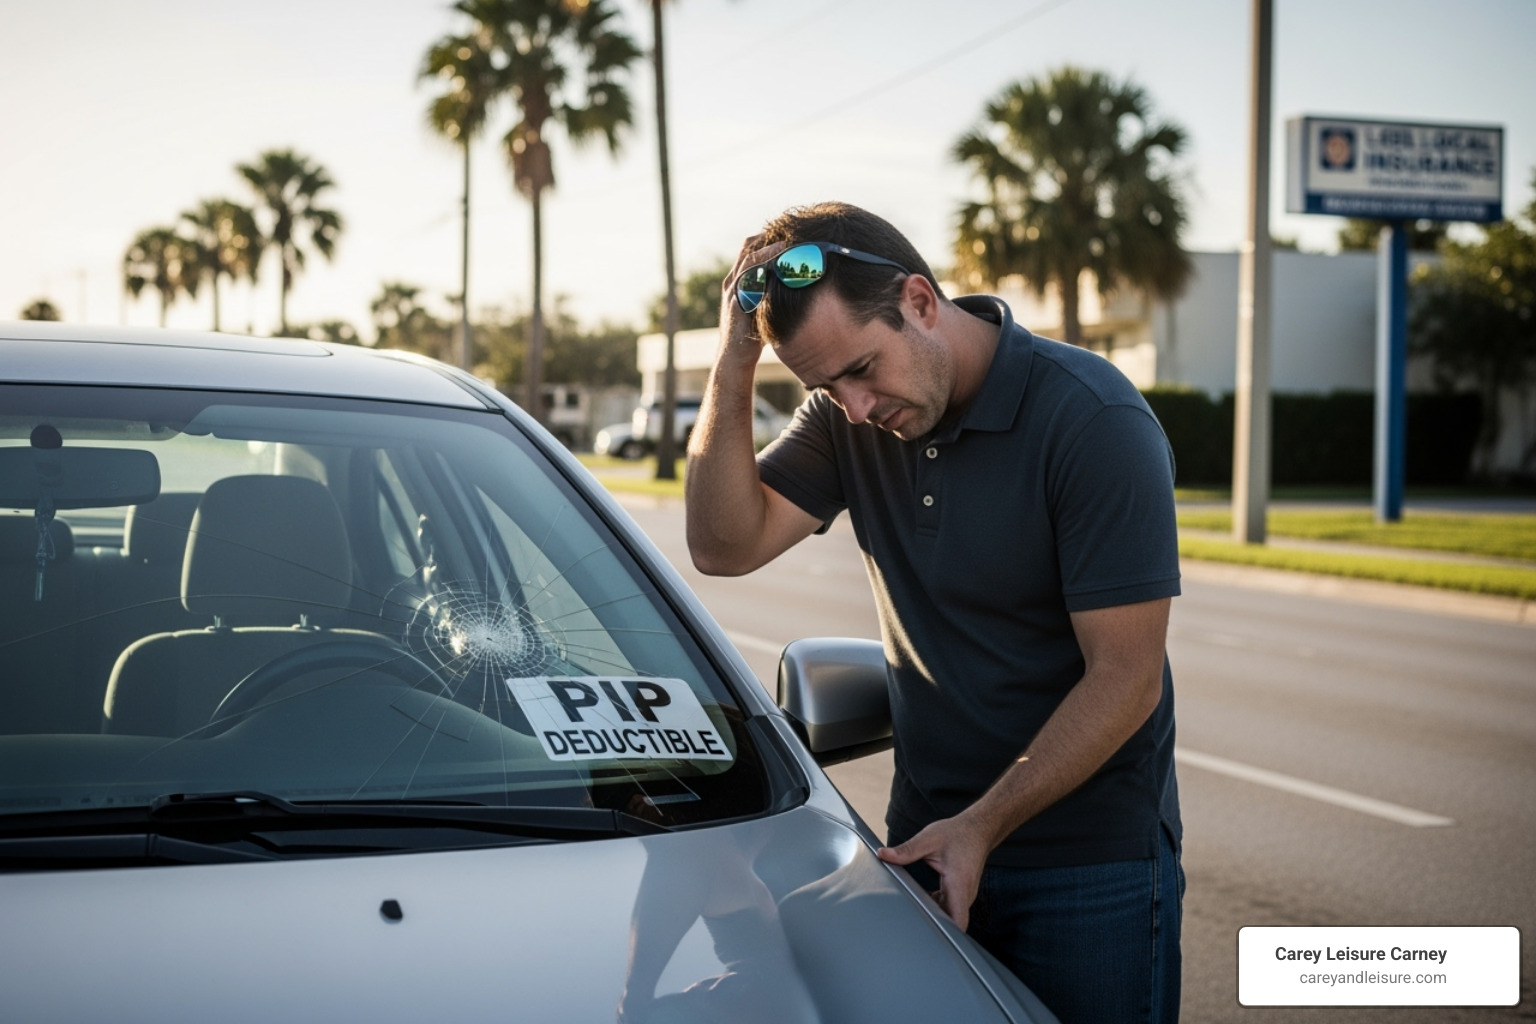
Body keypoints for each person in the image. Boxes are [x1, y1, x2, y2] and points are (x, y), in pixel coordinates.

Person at [684, 201, 1184, 1023]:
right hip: (924, 849)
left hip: (1090, 872)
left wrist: (981, 826)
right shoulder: (849, 423)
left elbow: (1127, 681)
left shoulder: (1093, 421)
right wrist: (734, 359)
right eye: (825, 385)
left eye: (861, 369)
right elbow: (723, 545)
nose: (854, 405)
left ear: (920, 301)